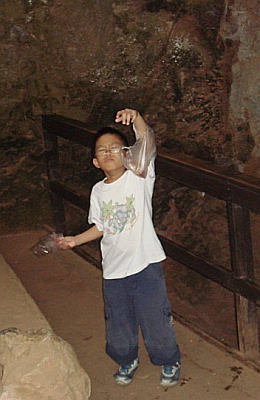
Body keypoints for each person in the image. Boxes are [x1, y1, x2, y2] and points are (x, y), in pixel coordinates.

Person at [57, 108, 181, 387]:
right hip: (113, 270)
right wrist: (74, 240)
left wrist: (136, 119)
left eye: (115, 147)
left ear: (127, 154)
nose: (109, 152)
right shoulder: (98, 191)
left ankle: (168, 358)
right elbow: (101, 226)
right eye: (102, 150)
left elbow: (147, 141)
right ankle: (127, 359)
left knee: (155, 318)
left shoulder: (139, 176)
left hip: (145, 265)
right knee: (118, 321)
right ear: (95, 161)